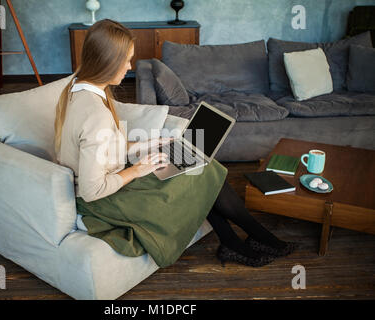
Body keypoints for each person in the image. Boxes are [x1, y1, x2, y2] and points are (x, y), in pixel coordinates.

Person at [54, 19, 295, 269]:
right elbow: (93, 191)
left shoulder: (78, 89)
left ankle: (235, 241)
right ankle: (252, 238)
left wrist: (148, 143)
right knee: (202, 168)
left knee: (197, 164)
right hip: (105, 202)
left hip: (113, 181)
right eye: (126, 60)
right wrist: (138, 169)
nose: (129, 67)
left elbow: (102, 146)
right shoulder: (95, 113)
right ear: (107, 61)